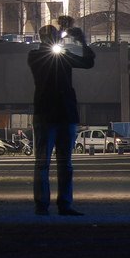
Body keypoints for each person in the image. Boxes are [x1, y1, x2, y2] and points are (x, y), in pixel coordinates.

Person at [28, 17, 95, 215]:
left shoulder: (58, 55)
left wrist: (82, 42)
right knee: (45, 162)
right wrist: (76, 44)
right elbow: (85, 61)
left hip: (58, 114)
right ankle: (45, 205)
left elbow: (88, 63)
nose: (53, 40)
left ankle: (60, 204)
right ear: (42, 39)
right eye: (51, 37)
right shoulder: (36, 55)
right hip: (53, 114)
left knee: (62, 163)